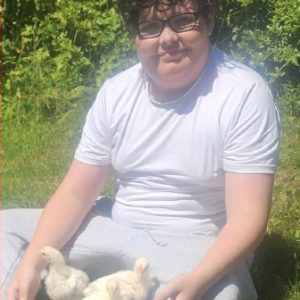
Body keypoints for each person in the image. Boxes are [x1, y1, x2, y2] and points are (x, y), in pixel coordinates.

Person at [1, 0, 280, 299]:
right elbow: (76, 193)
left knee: (225, 295)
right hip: (116, 228)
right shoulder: (117, 92)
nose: (168, 38)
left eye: (183, 21)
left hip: (199, 249)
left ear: (209, 19)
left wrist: (199, 279)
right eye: (151, 26)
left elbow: (247, 219)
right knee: (6, 228)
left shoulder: (244, 95)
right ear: (136, 35)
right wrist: (32, 262)